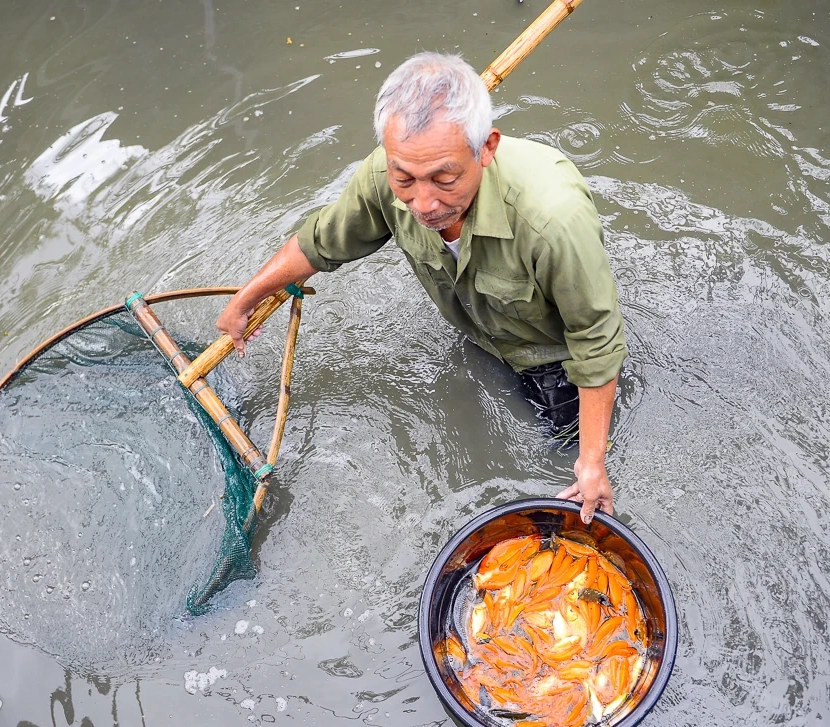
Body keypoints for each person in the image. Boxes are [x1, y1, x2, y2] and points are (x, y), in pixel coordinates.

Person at [215, 52, 627, 523]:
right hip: (480, 331)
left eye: (445, 178)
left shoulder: (552, 219)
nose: (424, 204)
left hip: (552, 357)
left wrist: (592, 463)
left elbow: (595, 339)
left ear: (487, 148)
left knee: (567, 457)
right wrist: (245, 299)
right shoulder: (384, 174)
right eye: (405, 179)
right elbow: (322, 241)